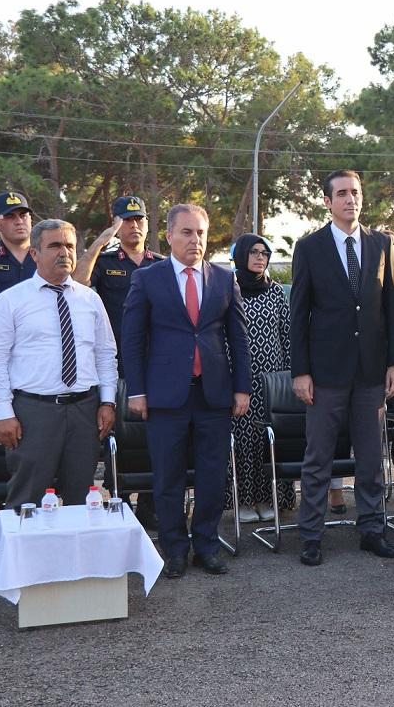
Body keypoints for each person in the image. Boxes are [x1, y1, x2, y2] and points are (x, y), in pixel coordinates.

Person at [122, 203, 251, 578]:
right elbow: (132, 340)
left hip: (213, 395)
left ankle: (206, 547)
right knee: (168, 477)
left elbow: (237, 341)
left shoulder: (224, 280)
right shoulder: (148, 279)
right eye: (187, 232)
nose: (195, 240)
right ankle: (175, 550)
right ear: (169, 235)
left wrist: (241, 389)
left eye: (201, 233)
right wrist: (137, 391)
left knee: (213, 476)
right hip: (165, 397)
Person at [289, 169, 394, 566]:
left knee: (372, 458)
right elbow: (298, 313)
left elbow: (391, 306)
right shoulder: (309, 247)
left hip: (372, 372)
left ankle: (372, 529)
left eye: (355, 192)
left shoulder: (381, 243)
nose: (349, 199)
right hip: (325, 374)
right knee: (318, 457)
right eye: (341, 193)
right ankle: (310, 536)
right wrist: (300, 371)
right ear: (327, 201)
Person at [0, 219, 117, 509]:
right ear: (34, 254)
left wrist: (107, 402)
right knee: (26, 498)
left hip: (85, 411)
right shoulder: (10, 302)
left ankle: (75, 554)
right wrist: (2, 412)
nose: (64, 253)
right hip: (33, 413)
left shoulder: (90, 300)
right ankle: (21, 554)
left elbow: (105, 354)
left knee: (81, 497)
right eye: (54, 245)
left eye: (69, 246)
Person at [226, 234, 295, 522]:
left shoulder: (276, 291)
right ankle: (243, 502)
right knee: (242, 440)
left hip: (273, 379)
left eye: (264, 253)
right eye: (253, 252)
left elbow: (287, 335)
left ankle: (271, 498)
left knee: (270, 439)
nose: (260, 258)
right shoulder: (228, 290)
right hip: (240, 377)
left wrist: (291, 376)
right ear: (241, 256)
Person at [73, 196, 164, 374]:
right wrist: (100, 242)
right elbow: (77, 283)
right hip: (117, 362)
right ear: (115, 225)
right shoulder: (104, 262)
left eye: (139, 219)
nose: (134, 225)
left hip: (156, 359)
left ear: (147, 223)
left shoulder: (161, 265)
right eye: (127, 220)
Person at [0, 192, 37, 350]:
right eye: (10, 216)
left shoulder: (45, 256)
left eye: (23, 215)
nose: (19, 221)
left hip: (37, 350)